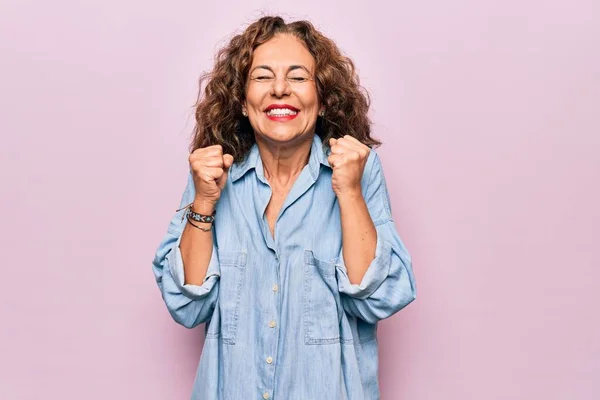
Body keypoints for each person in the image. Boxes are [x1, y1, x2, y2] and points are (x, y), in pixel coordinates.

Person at [152, 15, 417, 400]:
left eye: (297, 77)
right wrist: (204, 203)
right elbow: (187, 305)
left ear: (322, 98)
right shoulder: (212, 175)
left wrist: (349, 191)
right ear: (242, 102)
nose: (279, 89)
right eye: (262, 77)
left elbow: (376, 299)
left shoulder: (358, 170)